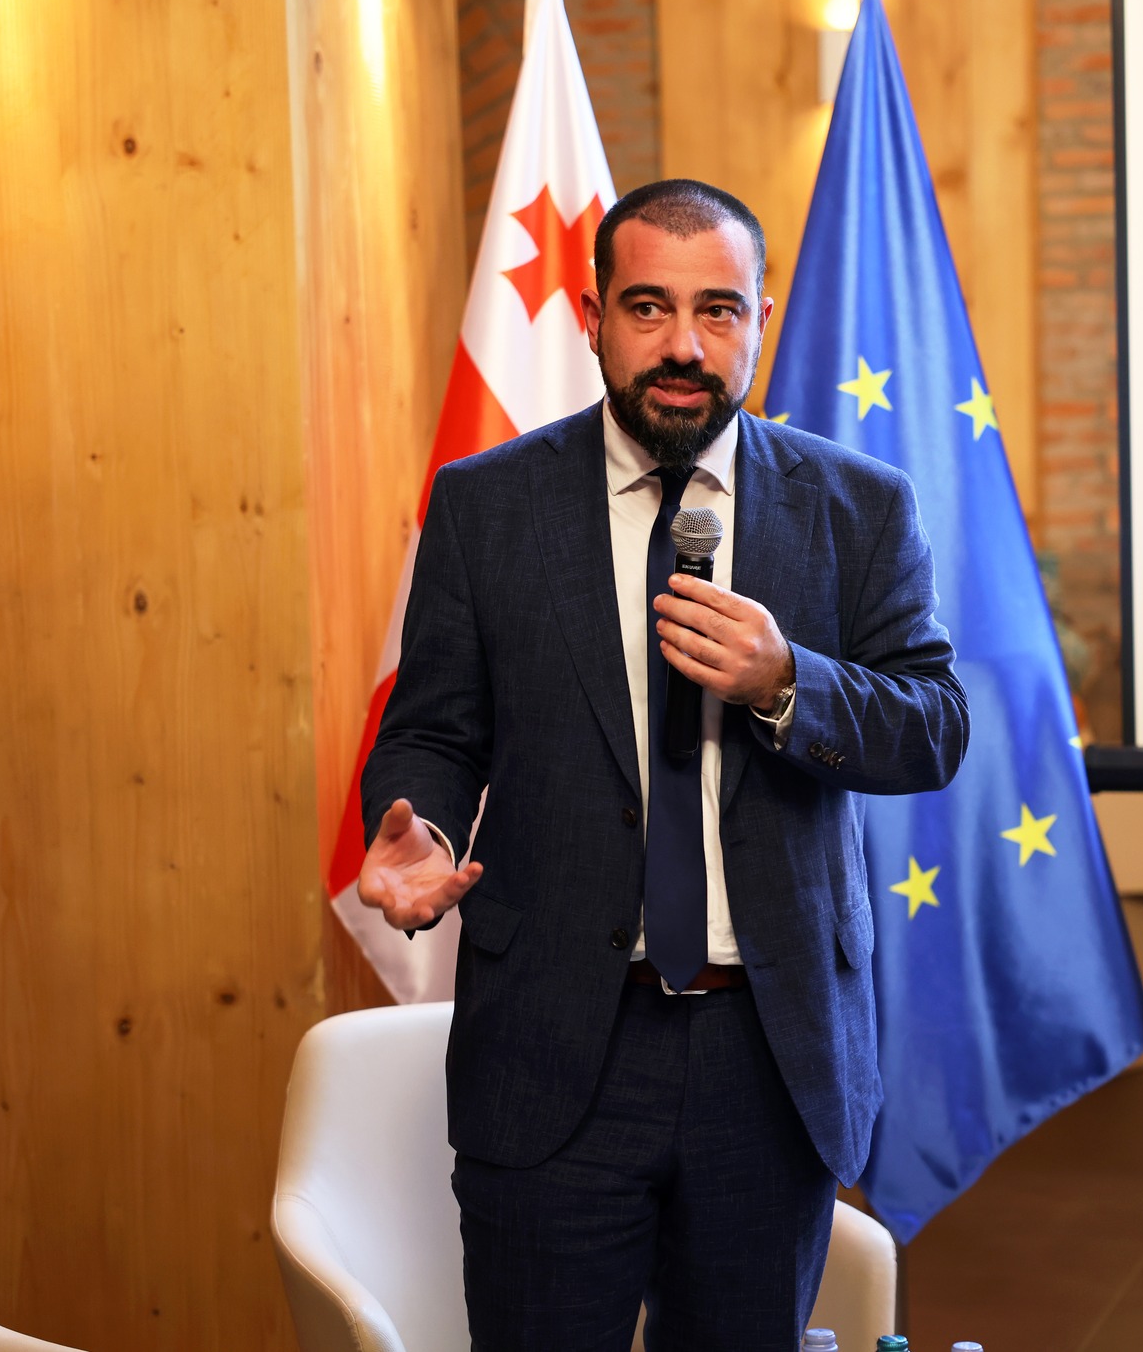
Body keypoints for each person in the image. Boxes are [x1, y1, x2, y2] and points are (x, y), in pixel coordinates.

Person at [357, 178, 967, 1351]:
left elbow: (931, 726)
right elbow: (434, 732)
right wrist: (418, 822)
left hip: (767, 1056)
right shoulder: (487, 507)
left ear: (759, 321)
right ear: (592, 317)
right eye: (647, 307)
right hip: (553, 1050)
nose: (683, 345)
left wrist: (787, 681)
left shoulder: (856, 509)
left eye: (717, 310)